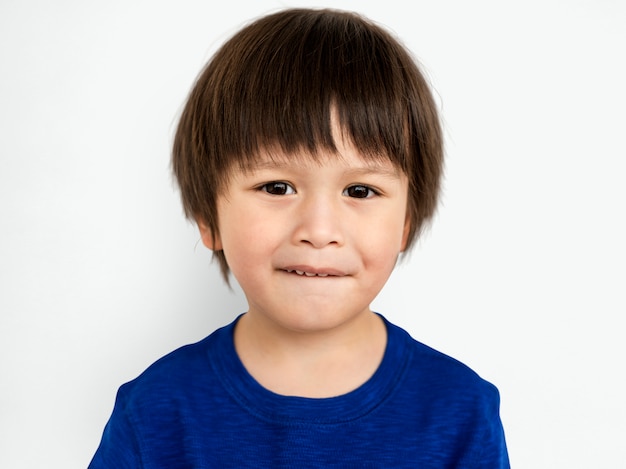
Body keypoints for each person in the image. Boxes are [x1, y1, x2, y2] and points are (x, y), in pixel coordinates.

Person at [89, 8, 510, 468]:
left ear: (405, 222)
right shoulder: (154, 410)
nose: (319, 231)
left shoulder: (460, 411)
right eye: (277, 187)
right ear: (208, 218)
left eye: (360, 191)